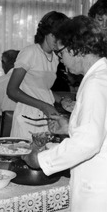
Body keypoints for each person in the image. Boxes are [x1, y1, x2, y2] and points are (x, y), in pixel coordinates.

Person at [22, 15, 107, 211]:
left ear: (74, 48)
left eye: (61, 53)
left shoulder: (97, 82)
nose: (61, 60)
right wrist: (70, 127)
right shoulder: (103, 75)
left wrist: (40, 160)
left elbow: (87, 142)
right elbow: (103, 128)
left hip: (103, 183)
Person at [7, 11, 69, 139]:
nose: (57, 41)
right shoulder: (30, 52)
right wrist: (44, 105)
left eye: (61, 37)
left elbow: (42, 89)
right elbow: (12, 90)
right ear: (45, 32)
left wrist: (62, 100)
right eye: (54, 35)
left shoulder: (55, 57)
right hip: (28, 115)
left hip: (46, 116)